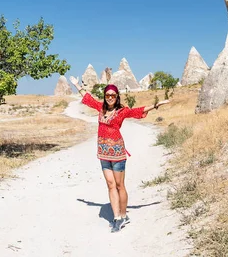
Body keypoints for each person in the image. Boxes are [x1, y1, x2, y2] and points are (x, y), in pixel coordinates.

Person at [71, 81, 170, 233]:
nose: (110, 97)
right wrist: (78, 86)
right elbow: (88, 99)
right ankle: (116, 217)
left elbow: (139, 110)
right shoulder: (100, 108)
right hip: (103, 153)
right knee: (110, 185)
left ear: (117, 97)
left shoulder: (122, 111)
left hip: (118, 154)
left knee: (119, 185)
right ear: (105, 97)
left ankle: (123, 215)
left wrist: (158, 104)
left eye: (113, 95)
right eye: (107, 95)